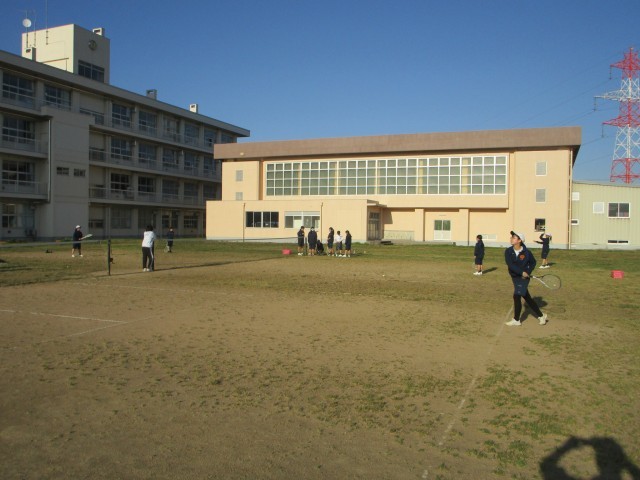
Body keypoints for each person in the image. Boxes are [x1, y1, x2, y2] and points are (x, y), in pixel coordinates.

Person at [505, 231, 547, 326]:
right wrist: (521, 272)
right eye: (511, 237)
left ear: (519, 240)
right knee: (527, 297)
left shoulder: (527, 253)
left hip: (523, 279)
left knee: (517, 296)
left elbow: (533, 262)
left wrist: (528, 272)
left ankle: (516, 320)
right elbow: (510, 264)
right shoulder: (508, 251)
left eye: (514, 237)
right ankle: (541, 316)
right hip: (515, 277)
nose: (511, 239)